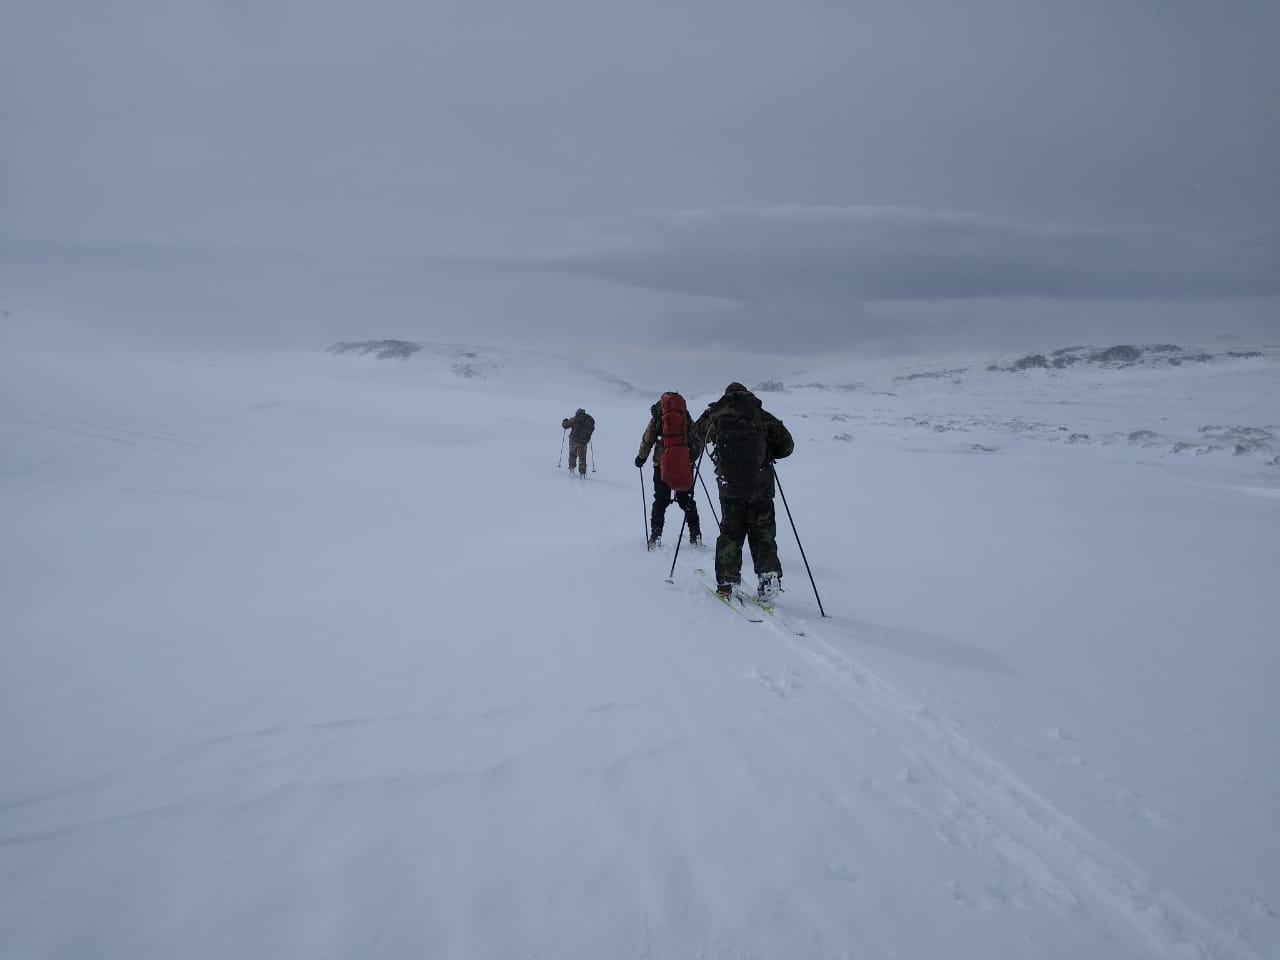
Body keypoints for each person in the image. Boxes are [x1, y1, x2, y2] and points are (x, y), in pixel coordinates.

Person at [692, 382, 794, 598]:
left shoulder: (716, 414)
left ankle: (728, 582)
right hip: (761, 486)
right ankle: (769, 578)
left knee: (731, 533)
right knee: (763, 533)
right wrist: (766, 453)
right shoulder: (760, 414)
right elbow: (787, 446)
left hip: (730, 488)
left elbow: (695, 437)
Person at [635, 394, 703, 549]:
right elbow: (697, 441)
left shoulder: (658, 417)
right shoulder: (684, 418)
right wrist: (689, 458)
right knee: (686, 500)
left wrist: (641, 458)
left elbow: (648, 439)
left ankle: (655, 536)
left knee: (660, 500)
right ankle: (695, 534)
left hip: (661, 464)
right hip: (683, 464)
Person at [561, 408, 595, 477]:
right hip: (584, 442)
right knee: (582, 457)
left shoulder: (575, 419)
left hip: (574, 440)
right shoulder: (588, 420)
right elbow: (592, 429)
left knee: (572, 454)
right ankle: (582, 472)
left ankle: (572, 468)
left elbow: (565, 425)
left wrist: (564, 421)